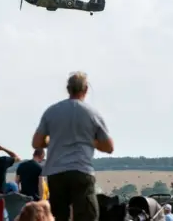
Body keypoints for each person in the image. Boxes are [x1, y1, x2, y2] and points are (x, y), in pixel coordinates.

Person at [32, 71, 114, 221]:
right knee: (87, 216)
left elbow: (36, 143)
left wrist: (53, 141)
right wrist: (91, 141)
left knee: (58, 216)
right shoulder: (92, 113)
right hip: (81, 170)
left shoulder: (51, 112)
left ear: (68, 89)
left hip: (56, 172)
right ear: (86, 89)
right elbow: (109, 146)